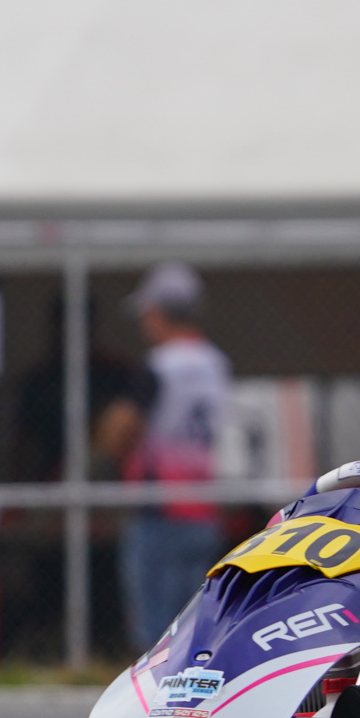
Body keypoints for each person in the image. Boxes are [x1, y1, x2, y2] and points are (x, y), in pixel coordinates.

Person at [102, 263, 231, 652]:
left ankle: (154, 709)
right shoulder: (215, 362)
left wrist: (111, 443)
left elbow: (120, 428)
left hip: (158, 506)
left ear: (158, 312)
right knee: (193, 626)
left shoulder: (160, 365)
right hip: (203, 505)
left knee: (154, 633)